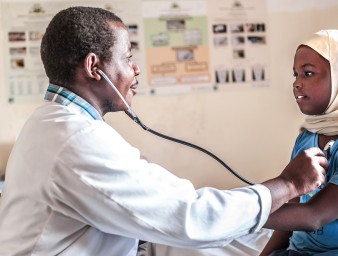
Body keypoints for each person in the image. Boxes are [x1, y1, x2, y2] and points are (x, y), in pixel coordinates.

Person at [0, 7, 327, 256]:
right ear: (93, 67)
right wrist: (287, 184)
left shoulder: (52, 123)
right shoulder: (75, 140)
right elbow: (190, 216)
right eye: (128, 57)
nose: (136, 69)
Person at [260, 30, 338, 256]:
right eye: (295, 75)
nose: (297, 83)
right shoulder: (306, 138)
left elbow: (314, 216)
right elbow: (292, 208)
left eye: (308, 73)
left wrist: (241, 214)